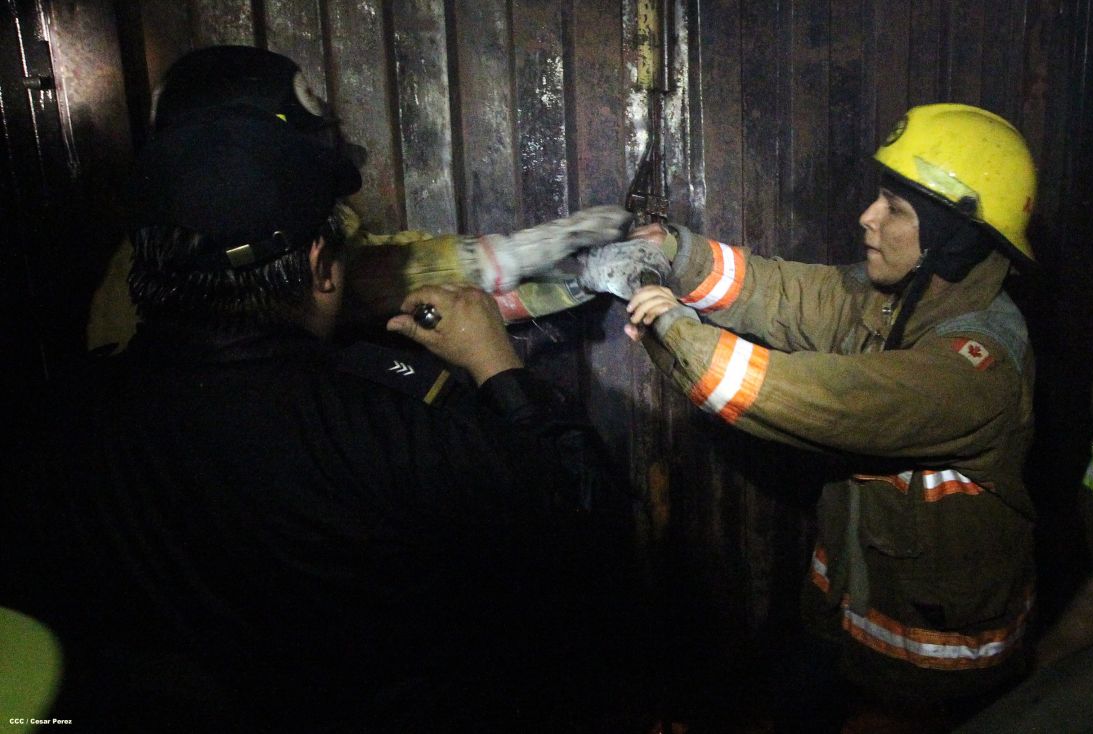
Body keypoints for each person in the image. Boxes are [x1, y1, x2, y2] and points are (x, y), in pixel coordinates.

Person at [3, 102, 645, 732]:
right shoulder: (384, 426)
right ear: (319, 267)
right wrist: (498, 367)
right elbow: (592, 537)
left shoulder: (56, 425)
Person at [616, 103, 1038, 731]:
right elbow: (778, 292)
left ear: (957, 240)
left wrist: (675, 331)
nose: (867, 217)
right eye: (878, 198)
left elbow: (824, 399)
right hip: (847, 617)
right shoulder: (892, 299)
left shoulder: (977, 367)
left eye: (896, 209)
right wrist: (676, 253)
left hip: (929, 665)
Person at [87, 45, 659, 354]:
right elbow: (369, 286)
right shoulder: (153, 327)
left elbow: (378, 271)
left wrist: (556, 269)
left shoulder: (178, 266)